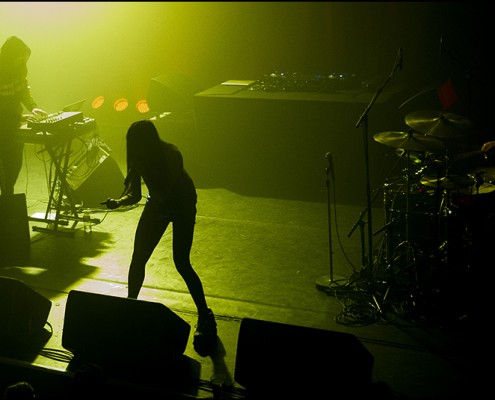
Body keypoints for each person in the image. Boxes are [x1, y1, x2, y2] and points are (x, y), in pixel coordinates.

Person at [103, 119, 217, 356]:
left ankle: (205, 315)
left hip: (182, 204)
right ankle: (130, 306)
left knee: (181, 262)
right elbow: (134, 195)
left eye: (136, 143)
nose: (132, 148)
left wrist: (145, 179)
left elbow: (166, 191)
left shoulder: (171, 153)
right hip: (159, 205)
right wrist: (118, 201)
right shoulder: (139, 158)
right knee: (138, 259)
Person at [0, 36, 47, 196]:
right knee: (5, 166)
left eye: (24, 59)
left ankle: (7, 198)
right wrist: (17, 118)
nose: (22, 62)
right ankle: (7, 201)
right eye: (19, 58)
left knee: (15, 163)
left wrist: (32, 108)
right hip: (3, 126)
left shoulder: (20, 69)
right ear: (9, 56)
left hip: (12, 123)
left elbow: (22, 91)